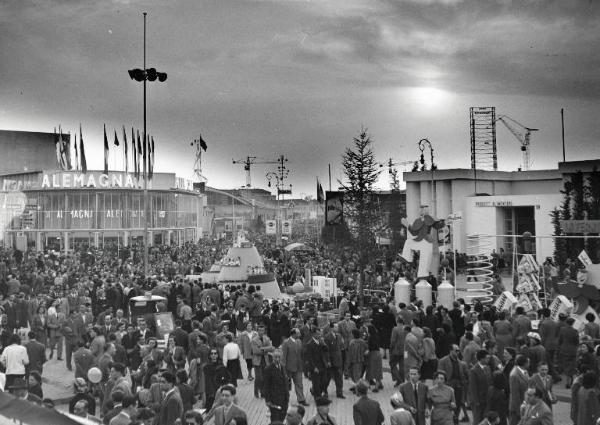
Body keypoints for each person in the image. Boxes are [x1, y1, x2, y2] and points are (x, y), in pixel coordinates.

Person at [437, 344, 468, 422]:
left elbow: (463, 375)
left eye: (458, 351)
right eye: (456, 350)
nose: (458, 352)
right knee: (446, 405)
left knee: (457, 404)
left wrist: (463, 383)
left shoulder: (461, 363)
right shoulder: (443, 361)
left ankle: (455, 419)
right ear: (451, 351)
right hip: (448, 385)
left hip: (458, 386)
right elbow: (439, 375)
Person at [281, 328, 308, 406]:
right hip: (289, 368)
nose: (300, 334)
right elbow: (284, 357)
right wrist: (284, 369)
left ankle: (301, 399)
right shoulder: (286, 343)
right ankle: (284, 400)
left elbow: (301, 354)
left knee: (299, 384)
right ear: (293, 334)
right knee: (286, 385)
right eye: (298, 333)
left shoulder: (299, 341)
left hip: (298, 367)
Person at [264, 349, 290, 422]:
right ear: (272, 357)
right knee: (275, 419)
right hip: (274, 399)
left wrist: (287, 394)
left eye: (279, 357)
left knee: (282, 417)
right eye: (275, 357)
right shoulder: (268, 369)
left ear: (281, 357)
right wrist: (268, 400)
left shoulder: (283, 367)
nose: (277, 359)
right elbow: (266, 386)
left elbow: (285, 381)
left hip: (284, 399)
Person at [304, 326, 329, 399]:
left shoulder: (321, 342)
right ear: (313, 334)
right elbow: (309, 357)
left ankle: (315, 391)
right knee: (316, 383)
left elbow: (326, 350)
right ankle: (317, 397)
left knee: (324, 381)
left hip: (323, 365)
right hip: (315, 366)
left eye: (320, 334)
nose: (320, 335)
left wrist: (323, 343)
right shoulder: (309, 344)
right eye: (318, 334)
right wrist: (314, 367)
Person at [468, 349, 492, 425]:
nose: (489, 359)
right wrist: (476, 401)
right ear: (481, 358)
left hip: (486, 399)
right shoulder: (473, 370)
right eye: (487, 358)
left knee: (486, 420)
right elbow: (473, 387)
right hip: (478, 400)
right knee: (478, 420)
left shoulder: (488, 368)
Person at [251, 323, 274, 398]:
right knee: (258, 378)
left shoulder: (266, 338)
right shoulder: (254, 340)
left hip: (265, 360)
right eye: (260, 330)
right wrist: (266, 349)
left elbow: (272, 348)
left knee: (264, 377)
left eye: (263, 330)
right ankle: (256, 392)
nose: (261, 332)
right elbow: (255, 351)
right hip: (257, 361)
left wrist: (262, 348)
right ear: (257, 331)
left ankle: (263, 392)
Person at [558, 317, 579, 388]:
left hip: (564, 350)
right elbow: (577, 342)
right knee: (571, 366)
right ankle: (569, 379)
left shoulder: (562, 330)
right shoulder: (575, 331)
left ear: (567, 322)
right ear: (573, 323)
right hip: (572, 350)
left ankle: (568, 381)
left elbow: (560, 340)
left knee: (566, 365)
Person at [509, 355, 530, 425]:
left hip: (525, 404)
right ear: (524, 363)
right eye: (528, 362)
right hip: (517, 408)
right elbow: (515, 395)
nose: (529, 364)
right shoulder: (514, 375)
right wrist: (519, 411)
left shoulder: (525, 371)